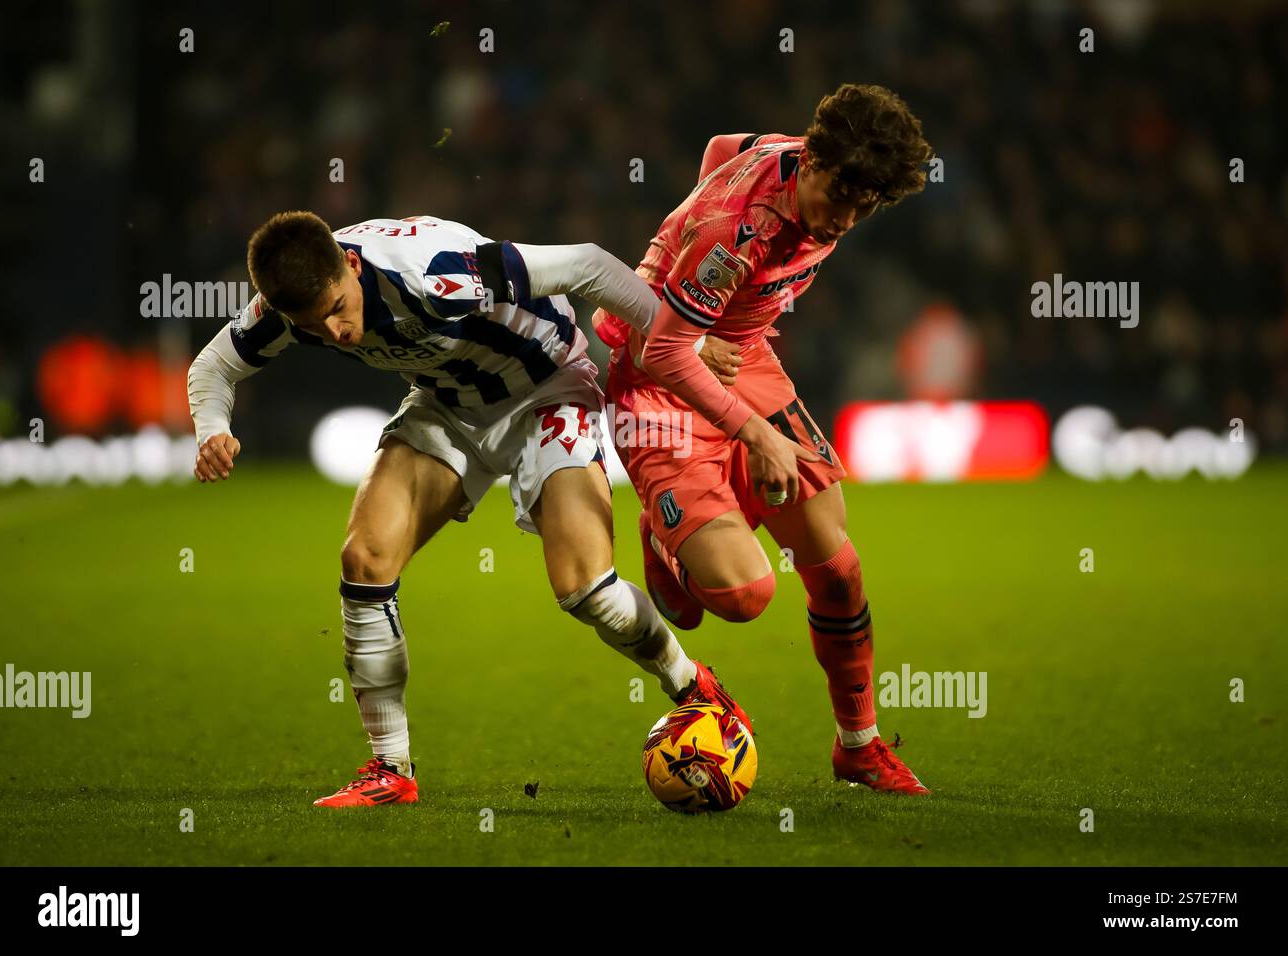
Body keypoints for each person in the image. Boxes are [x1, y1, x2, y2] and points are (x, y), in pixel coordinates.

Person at [187, 211, 750, 807]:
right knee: (365, 557)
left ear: (350, 266)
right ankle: (389, 769)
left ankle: (694, 687)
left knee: (585, 589)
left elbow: (586, 263)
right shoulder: (290, 307)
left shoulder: (433, 274)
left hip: (546, 389)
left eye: (337, 309)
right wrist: (212, 429)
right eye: (315, 325)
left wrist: (678, 341)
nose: (336, 332)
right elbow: (213, 366)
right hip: (449, 406)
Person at [594, 83, 934, 794]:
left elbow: (724, 149)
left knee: (838, 569)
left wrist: (706, 313)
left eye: (864, 204)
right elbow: (663, 352)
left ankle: (859, 746)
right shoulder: (735, 234)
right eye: (839, 192)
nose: (843, 215)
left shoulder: (782, 155)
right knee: (744, 595)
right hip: (654, 373)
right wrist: (752, 430)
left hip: (735, 352)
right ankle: (665, 543)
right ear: (812, 160)